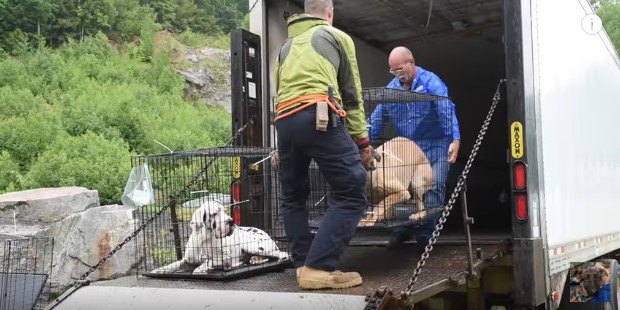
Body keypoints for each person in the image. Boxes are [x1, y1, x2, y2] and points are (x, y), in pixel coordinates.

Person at [272, 0, 374, 289]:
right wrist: (362, 143)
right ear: (330, 13)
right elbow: (351, 94)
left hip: (285, 122)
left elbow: (279, 95)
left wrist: (280, 144)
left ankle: (303, 265)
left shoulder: (284, 47)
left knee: (292, 196)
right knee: (353, 189)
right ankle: (319, 267)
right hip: (318, 115)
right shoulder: (337, 37)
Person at [368, 46, 461, 253]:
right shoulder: (391, 90)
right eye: (393, 71)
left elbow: (446, 109)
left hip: (436, 145)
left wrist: (455, 138)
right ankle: (403, 228)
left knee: (434, 185)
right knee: (401, 189)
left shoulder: (432, 83)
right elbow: (376, 120)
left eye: (400, 69)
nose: (398, 74)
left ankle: (425, 233)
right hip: (409, 150)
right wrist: (360, 142)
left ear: (412, 62)